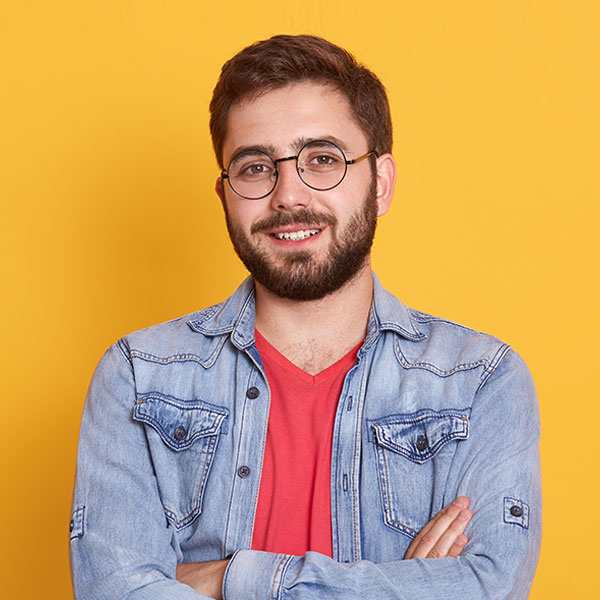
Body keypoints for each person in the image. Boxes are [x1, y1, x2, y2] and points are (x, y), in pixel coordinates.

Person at [70, 35, 541, 599]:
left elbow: (486, 587)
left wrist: (228, 578)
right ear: (224, 196)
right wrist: (404, 586)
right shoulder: (137, 376)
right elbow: (113, 591)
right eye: (255, 167)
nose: (289, 196)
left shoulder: (480, 381)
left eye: (322, 159)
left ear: (381, 183)